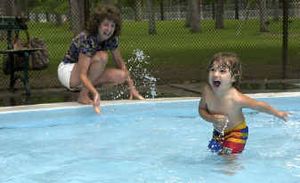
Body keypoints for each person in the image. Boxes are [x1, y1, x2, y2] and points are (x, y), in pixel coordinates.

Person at [58, 4, 144, 113]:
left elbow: (120, 63)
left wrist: (132, 88)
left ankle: (85, 90)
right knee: (102, 57)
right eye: (106, 25)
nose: (109, 29)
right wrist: (94, 93)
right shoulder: (87, 39)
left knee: (122, 76)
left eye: (112, 26)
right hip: (68, 73)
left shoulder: (112, 39)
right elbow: (82, 74)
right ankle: (83, 96)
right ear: (98, 24)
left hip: (82, 76)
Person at [198, 52, 288, 155]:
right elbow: (201, 109)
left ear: (233, 78)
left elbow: (259, 105)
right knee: (215, 154)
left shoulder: (236, 98)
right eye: (212, 69)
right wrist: (211, 118)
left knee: (228, 157)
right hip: (218, 132)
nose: (215, 74)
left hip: (237, 133)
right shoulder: (207, 91)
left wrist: (278, 113)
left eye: (222, 71)